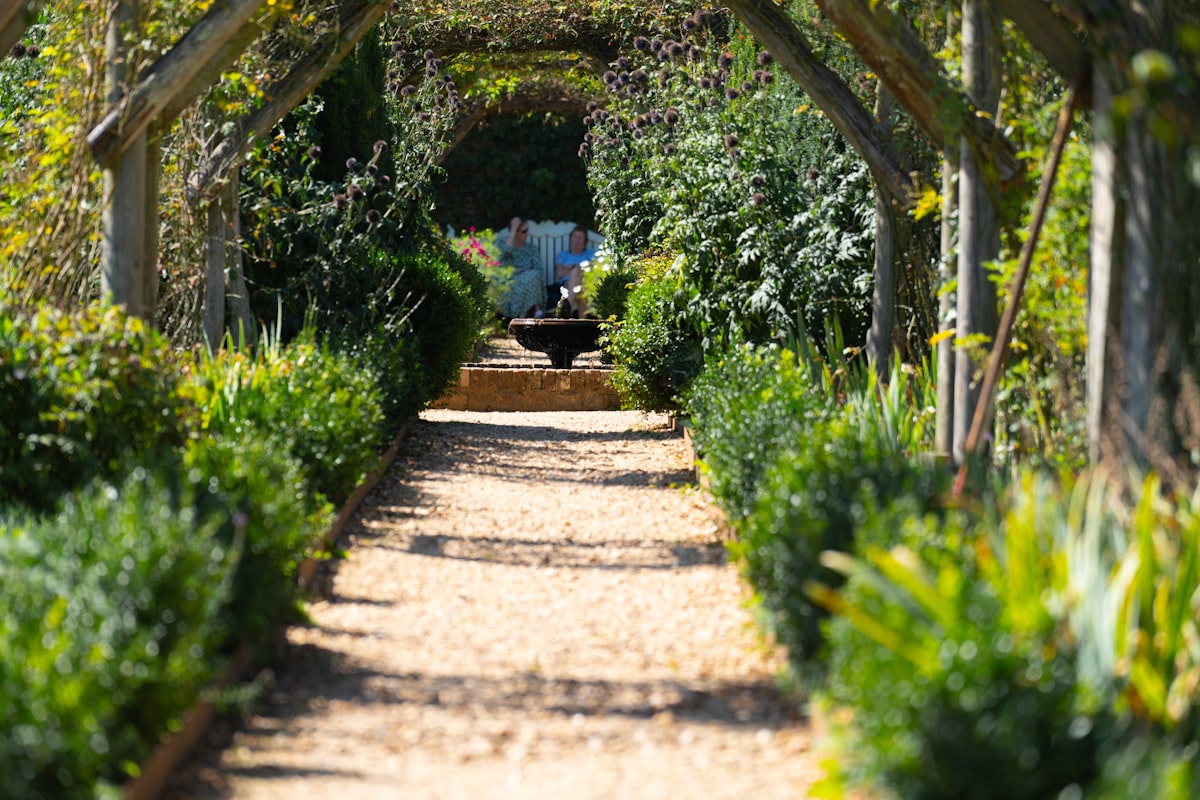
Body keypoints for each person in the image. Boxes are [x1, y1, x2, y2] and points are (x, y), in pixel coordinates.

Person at [495, 216, 546, 319]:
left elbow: (539, 270)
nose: (527, 234)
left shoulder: (531, 249)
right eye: (523, 231)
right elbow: (500, 262)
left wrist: (523, 271)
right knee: (528, 279)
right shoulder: (502, 245)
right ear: (515, 232)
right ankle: (536, 310)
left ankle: (522, 317)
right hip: (511, 280)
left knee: (533, 276)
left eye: (527, 230)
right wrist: (512, 232)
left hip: (531, 280)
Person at [554, 225, 596, 317]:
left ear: (585, 241)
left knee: (580, 282)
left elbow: (594, 269)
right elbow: (560, 273)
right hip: (566, 284)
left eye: (580, 237)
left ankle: (565, 312)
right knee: (578, 278)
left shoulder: (590, 253)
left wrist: (571, 268)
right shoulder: (563, 255)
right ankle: (582, 322)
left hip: (585, 283)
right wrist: (577, 269)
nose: (577, 239)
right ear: (571, 238)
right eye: (575, 236)